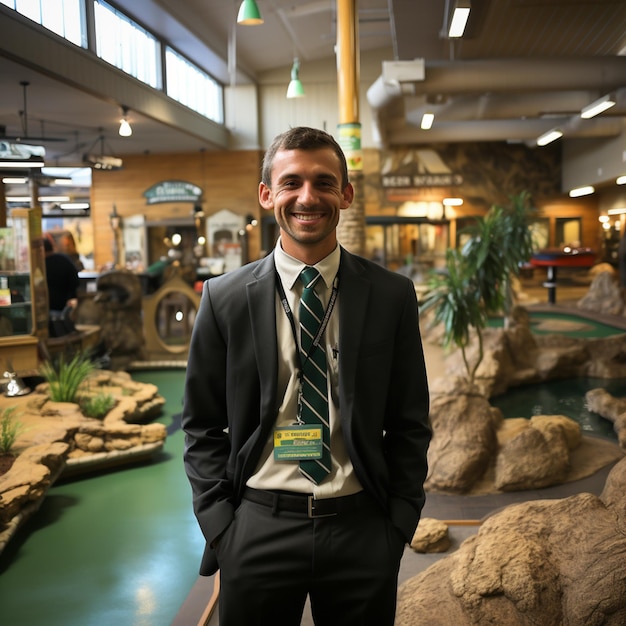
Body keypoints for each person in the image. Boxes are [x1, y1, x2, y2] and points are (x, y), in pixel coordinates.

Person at [182, 126, 431, 626]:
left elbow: (410, 420)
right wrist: (222, 528)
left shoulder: (390, 296)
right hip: (257, 526)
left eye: (323, 182)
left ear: (346, 193)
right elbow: (201, 424)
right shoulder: (225, 298)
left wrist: (398, 523)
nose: (307, 197)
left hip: (362, 527)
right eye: (291, 182)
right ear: (267, 194)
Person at [43, 235, 80, 314]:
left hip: (48, 309)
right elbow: (75, 282)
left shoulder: (41, 265)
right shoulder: (64, 259)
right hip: (66, 308)